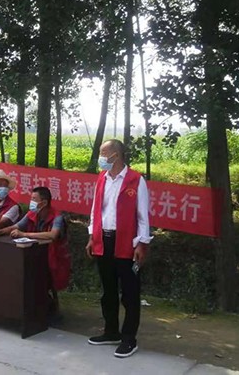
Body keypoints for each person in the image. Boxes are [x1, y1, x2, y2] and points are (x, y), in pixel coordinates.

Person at [85, 139, 150, 358]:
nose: (101, 158)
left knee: (130, 293)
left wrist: (142, 243)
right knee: (108, 290)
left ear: (116, 155)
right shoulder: (102, 178)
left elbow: (143, 215)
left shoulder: (135, 180)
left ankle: (129, 338)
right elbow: (96, 210)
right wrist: (92, 236)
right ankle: (111, 331)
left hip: (127, 242)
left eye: (104, 153)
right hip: (104, 240)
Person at [0, 186, 71, 320]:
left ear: (43, 203)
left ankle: (46, 310)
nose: (31, 202)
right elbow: (16, 226)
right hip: (36, 256)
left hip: (53, 260)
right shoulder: (32, 214)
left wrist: (25, 234)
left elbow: (52, 235)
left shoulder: (57, 217)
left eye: (34, 199)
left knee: (33, 276)